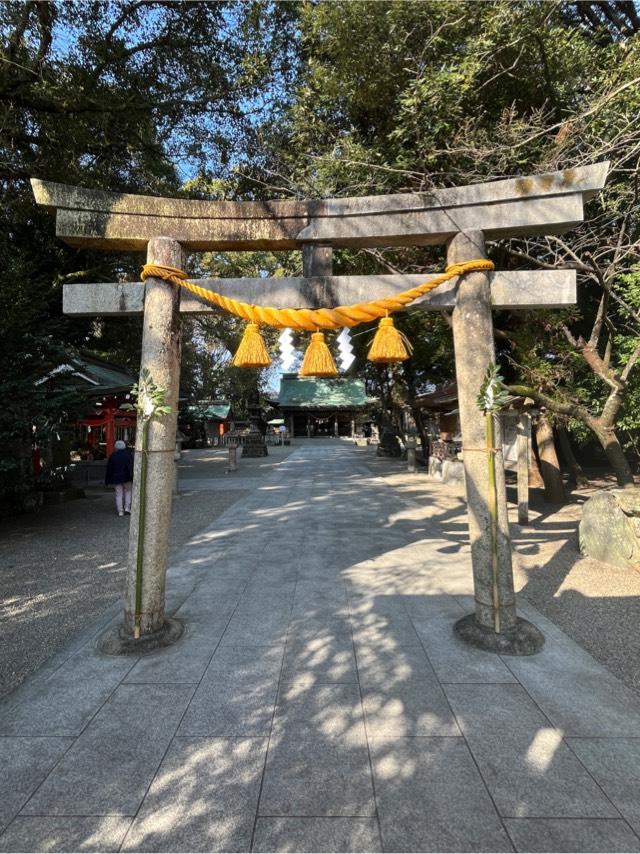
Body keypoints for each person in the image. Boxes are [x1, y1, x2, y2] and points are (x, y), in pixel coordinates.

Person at [105, 439, 134, 517]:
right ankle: (127, 508)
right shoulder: (128, 455)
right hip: (127, 476)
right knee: (128, 491)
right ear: (124, 446)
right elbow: (132, 467)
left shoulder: (113, 456)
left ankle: (120, 511)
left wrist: (107, 480)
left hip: (116, 477)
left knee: (118, 494)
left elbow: (109, 469)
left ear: (116, 447)